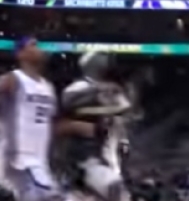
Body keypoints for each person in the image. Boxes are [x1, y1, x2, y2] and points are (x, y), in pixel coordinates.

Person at [0, 37, 94, 201]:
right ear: (21, 54)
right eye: (33, 45)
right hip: (18, 162)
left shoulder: (48, 87)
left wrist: (77, 126)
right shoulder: (14, 79)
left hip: (39, 164)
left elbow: (49, 126)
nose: (39, 49)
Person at [60, 51, 133, 201]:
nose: (105, 62)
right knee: (117, 192)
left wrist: (123, 138)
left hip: (109, 153)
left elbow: (124, 108)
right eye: (101, 57)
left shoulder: (113, 88)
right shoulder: (78, 87)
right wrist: (98, 92)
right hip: (86, 157)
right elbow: (68, 104)